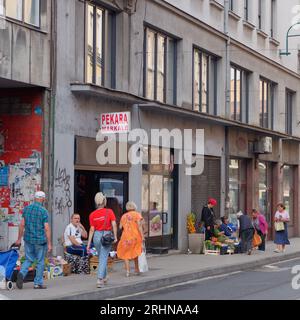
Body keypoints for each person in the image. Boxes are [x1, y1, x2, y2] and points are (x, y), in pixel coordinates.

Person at [15, 191, 52, 289]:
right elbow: (46, 228)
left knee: (28, 259)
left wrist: (19, 239)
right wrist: (49, 243)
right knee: (40, 261)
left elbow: (22, 224)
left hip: (28, 239)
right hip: (40, 241)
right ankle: (37, 283)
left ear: (35, 198)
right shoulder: (43, 211)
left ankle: (22, 274)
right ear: (43, 199)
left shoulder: (26, 209)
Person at [87, 192, 118, 288]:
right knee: (103, 257)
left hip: (96, 236)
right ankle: (99, 279)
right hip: (106, 236)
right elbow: (114, 224)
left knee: (101, 257)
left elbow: (92, 229)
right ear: (104, 201)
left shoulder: (92, 214)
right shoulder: (109, 212)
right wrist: (116, 236)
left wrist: (88, 244)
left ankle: (104, 277)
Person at [117, 201, 144, 277]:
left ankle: (128, 272)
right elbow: (139, 226)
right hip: (135, 237)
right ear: (134, 207)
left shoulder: (123, 216)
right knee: (136, 252)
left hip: (125, 237)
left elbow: (120, 227)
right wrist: (142, 236)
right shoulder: (137, 214)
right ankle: (136, 269)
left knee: (125, 254)